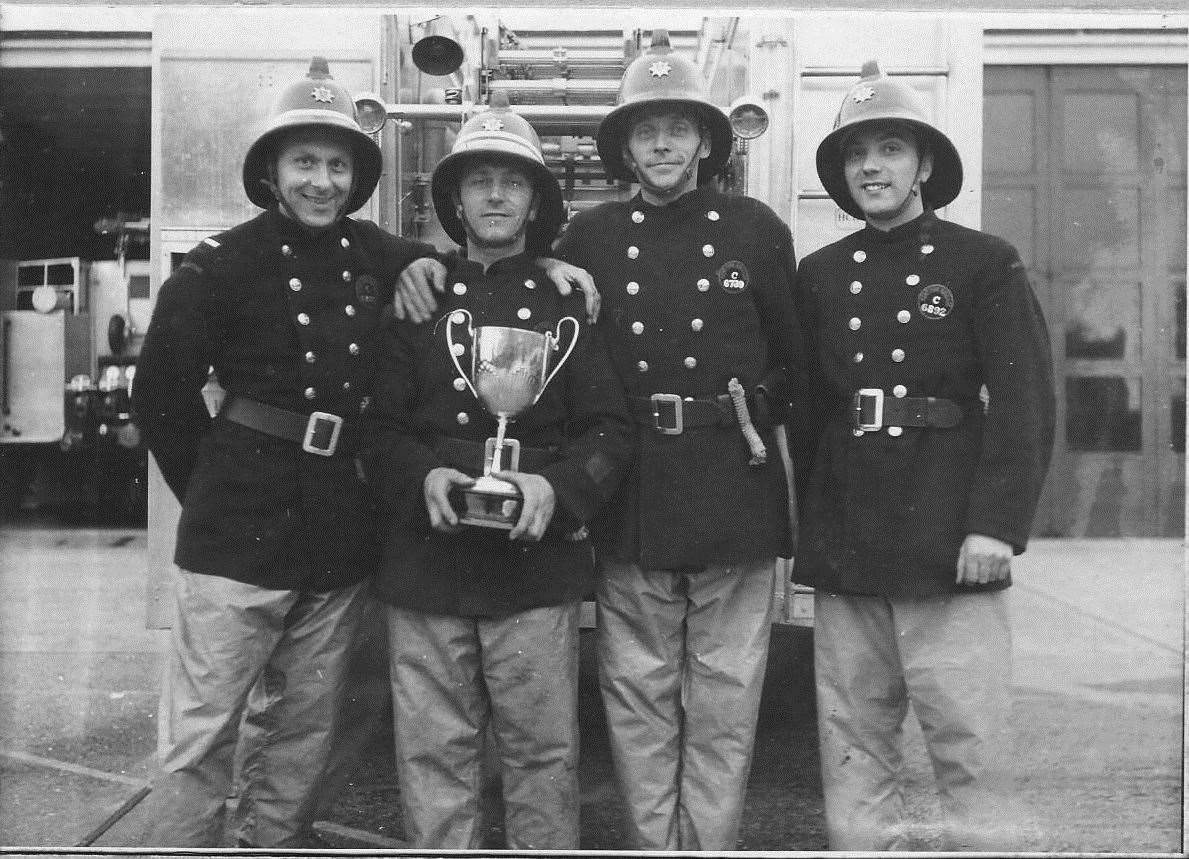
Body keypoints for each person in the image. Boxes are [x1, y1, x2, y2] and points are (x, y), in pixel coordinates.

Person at [132, 57, 447, 848]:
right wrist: (211, 489)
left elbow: (461, 266)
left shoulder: (374, 253)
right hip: (236, 527)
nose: (322, 182)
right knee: (203, 734)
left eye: (337, 165)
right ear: (271, 172)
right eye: (304, 162)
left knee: (303, 732)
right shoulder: (219, 265)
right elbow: (160, 398)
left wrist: (446, 265)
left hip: (335, 529)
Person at [794, 60, 1056, 851]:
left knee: (968, 746)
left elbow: (1024, 404)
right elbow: (809, 419)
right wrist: (811, 536)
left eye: (889, 149)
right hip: (850, 544)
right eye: (854, 155)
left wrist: (994, 527)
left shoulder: (982, 261)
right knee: (852, 748)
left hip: (949, 540)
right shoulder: (819, 275)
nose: (870, 167)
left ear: (925, 165)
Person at [361, 98, 633, 850]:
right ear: (452, 197)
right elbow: (376, 429)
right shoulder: (419, 297)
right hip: (427, 558)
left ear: (536, 201)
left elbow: (610, 430)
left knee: (541, 752)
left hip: (532, 562)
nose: (493, 197)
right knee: (432, 752)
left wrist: (560, 488)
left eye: (511, 183)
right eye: (478, 181)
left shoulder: (565, 300)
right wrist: (420, 478)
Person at [557, 31, 805, 851]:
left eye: (678, 128)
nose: (662, 144)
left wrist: (753, 402)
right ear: (624, 147)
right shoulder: (585, 239)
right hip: (633, 491)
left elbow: (794, 362)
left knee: (727, 699)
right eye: (644, 130)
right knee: (637, 696)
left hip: (732, 485)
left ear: (705, 140)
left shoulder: (755, 228)